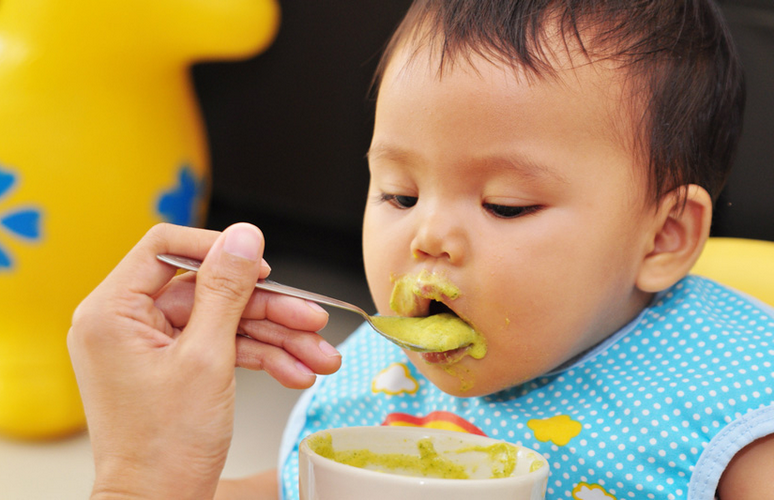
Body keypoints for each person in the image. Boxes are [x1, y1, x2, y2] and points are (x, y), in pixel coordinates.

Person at [68, 0, 774, 499]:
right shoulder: (378, 376)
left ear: (664, 236)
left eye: (506, 204)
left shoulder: (730, 413)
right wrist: (149, 473)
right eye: (400, 194)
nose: (426, 235)